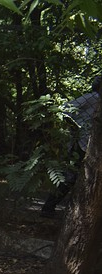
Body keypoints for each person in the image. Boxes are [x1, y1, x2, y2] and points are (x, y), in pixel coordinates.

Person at [41, 75, 101, 217]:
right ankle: (48, 208)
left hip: (91, 145)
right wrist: (75, 128)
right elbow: (65, 109)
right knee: (70, 176)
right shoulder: (93, 98)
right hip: (80, 143)